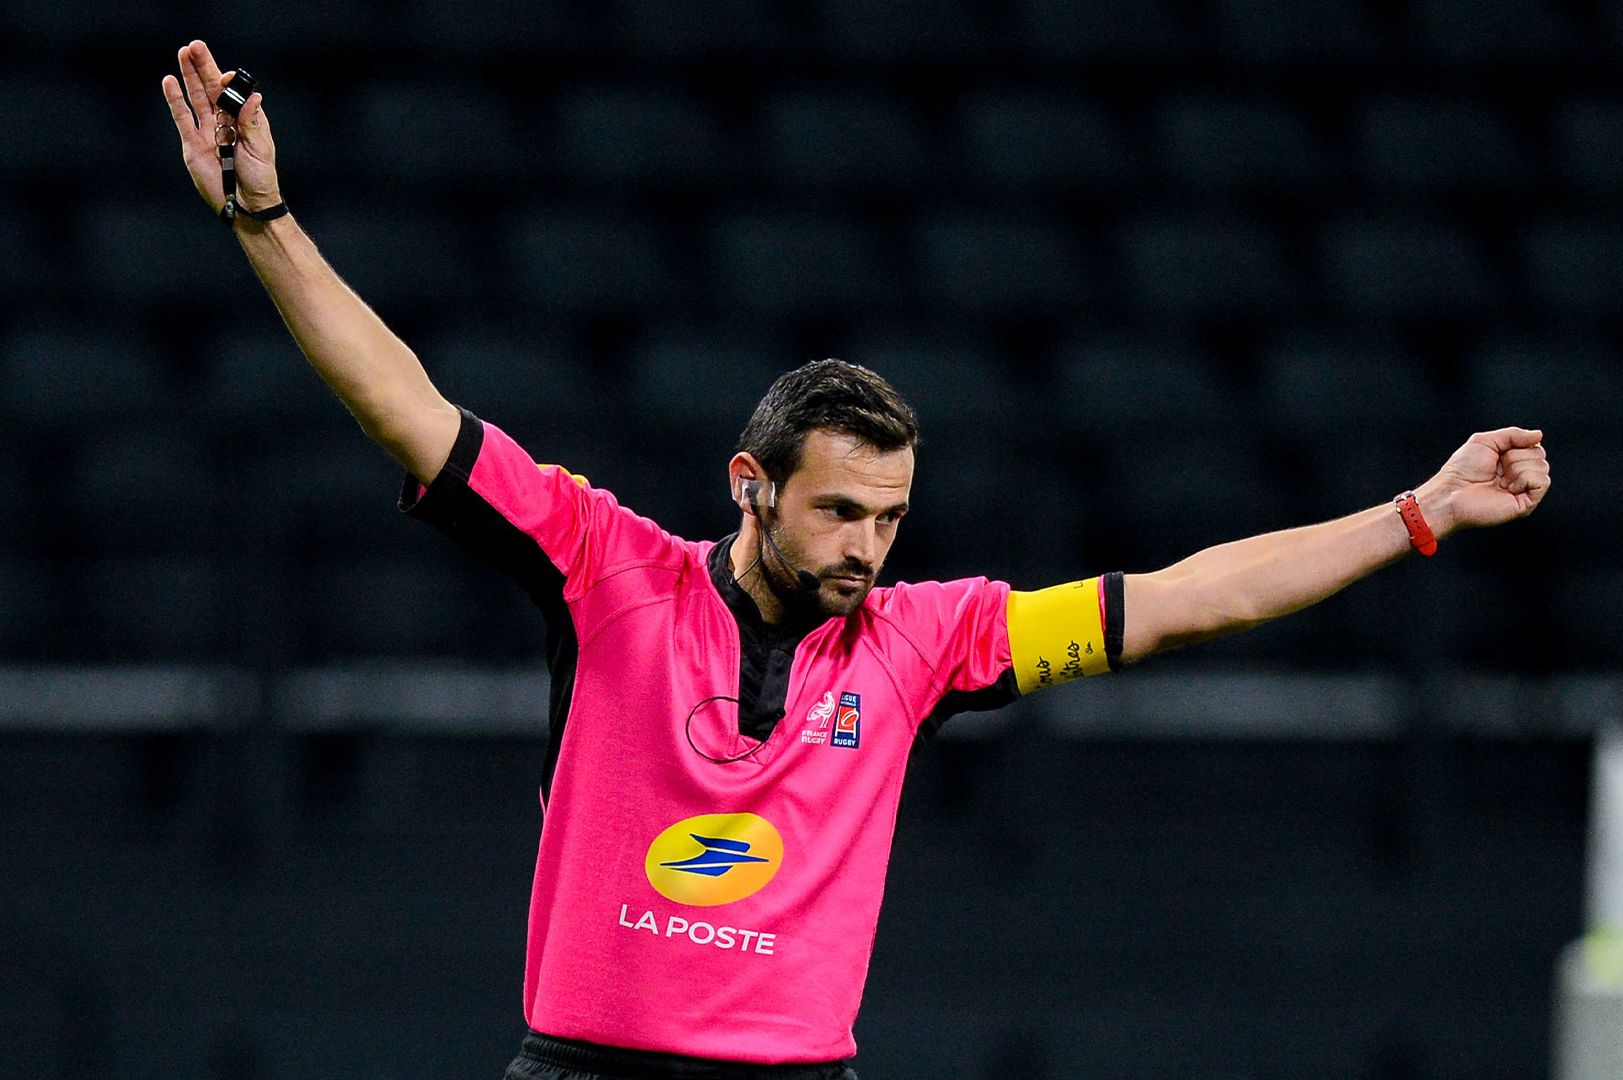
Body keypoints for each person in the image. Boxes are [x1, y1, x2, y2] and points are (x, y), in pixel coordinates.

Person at [163, 39, 1553, 1080]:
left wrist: (1417, 513)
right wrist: (264, 223)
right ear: (750, 488)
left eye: (890, 520)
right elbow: (408, 408)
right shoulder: (604, 568)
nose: (868, 551)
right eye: (839, 514)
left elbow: (1189, 599)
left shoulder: (924, 639)